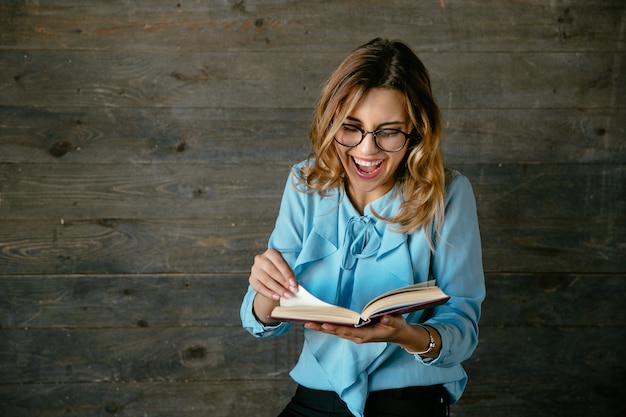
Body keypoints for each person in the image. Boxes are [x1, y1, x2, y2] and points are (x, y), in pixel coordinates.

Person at [240, 38, 485, 417]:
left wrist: (406, 335)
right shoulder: (305, 184)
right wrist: (266, 289)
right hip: (314, 400)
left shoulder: (449, 195)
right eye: (351, 128)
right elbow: (261, 321)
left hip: (407, 405)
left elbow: (463, 330)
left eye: (388, 132)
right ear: (331, 122)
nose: (366, 151)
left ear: (415, 132)